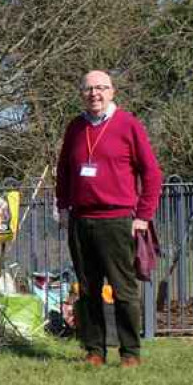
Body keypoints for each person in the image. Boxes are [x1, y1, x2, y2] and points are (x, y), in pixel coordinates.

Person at [56, 71, 162, 368]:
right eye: (89, 89)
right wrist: (63, 207)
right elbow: (63, 172)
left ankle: (130, 353)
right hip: (80, 221)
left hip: (117, 221)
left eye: (101, 88)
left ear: (112, 92)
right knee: (88, 290)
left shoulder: (129, 125)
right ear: (82, 93)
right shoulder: (75, 128)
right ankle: (95, 351)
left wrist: (143, 216)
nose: (95, 94)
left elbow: (152, 174)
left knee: (123, 290)